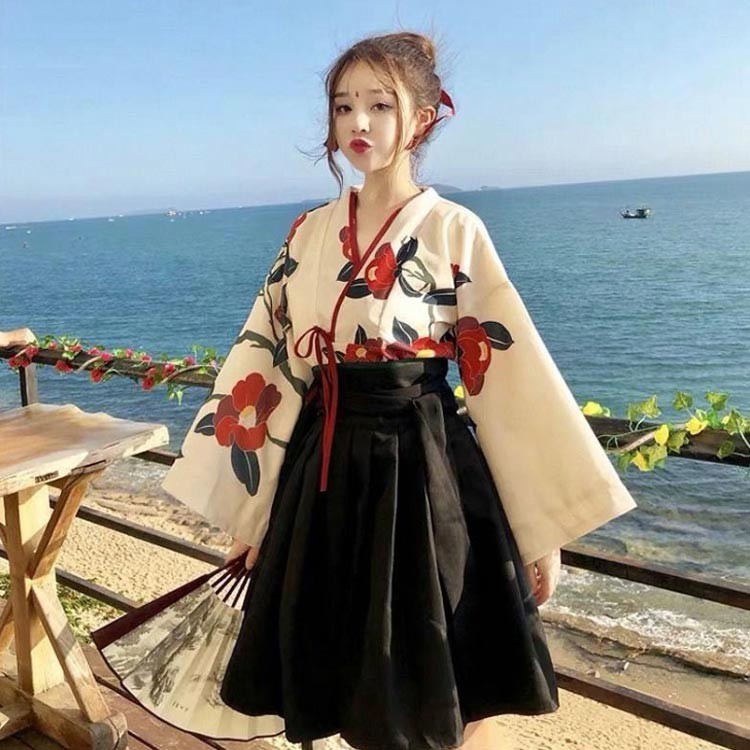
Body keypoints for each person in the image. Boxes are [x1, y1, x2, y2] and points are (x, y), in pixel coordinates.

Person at [160, 31, 638, 750]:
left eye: (380, 105)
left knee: (443, 681)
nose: (358, 122)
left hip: (423, 471)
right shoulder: (308, 233)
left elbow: (509, 379)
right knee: (344, 676)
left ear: (422, 119)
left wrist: (542, 529)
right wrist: (251, 514)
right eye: (343, 105)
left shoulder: (453, 229)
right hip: (322, 476)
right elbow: (269, 366)